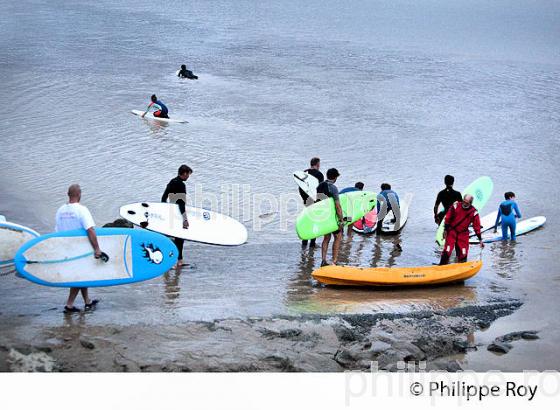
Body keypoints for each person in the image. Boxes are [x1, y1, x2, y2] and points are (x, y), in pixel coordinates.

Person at [55, 184, 104, 314]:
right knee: (79, 276)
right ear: (79, 194)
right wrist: (97, 248)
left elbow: (56, 233)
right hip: (80, 249)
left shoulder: (60, 210)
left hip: (66, 249)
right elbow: (90, 230)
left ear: (68, 194)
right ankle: (69, 305)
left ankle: (87, 302)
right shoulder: (82, 210)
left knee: (82, 275)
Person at [162, 164, 193, 267]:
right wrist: (185, 219)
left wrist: (165, 212)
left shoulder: (172, 182)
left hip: (170, 213)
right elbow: (181, 203)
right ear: (184, 173)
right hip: (178, 214)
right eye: (188, 174)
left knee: (168, 237)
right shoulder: (181, 185)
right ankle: (179, 261)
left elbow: (163, 198)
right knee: (179, 238)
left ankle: (167, 259)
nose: (188, 176)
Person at [439, 194, 484, 265]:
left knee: (463, 253)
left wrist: (480, 240)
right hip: (452, 232)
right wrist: (445, 230)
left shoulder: (474, 212)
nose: (464, 204)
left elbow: (477, 226)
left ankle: (461, 267)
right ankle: (441, 267)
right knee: (447, 251)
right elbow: (447, 218)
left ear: (470, 203)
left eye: (467, 203)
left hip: (463, 234)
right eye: (464, 201)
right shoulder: (455, 206)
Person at [317, 168, 344, 266]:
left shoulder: (320, 186)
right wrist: (341, 220)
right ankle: (334, 261)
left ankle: (323, 260)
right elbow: (337, 206)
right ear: (335, 177)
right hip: (331, 217)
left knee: (326, 238)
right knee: (337, 237)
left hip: (323, 216)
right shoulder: (333, 188)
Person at [299, 157, 324, 248]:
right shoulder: (319, 174)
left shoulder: (304, 172)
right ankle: (312, 244)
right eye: (319, 164)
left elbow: (300, 188)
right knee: (314, 221)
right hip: (315, 201)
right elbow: (320, 190)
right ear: (317, 164)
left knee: (307, 220)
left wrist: (304, 199)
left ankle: (304, 242)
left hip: (306, 200)